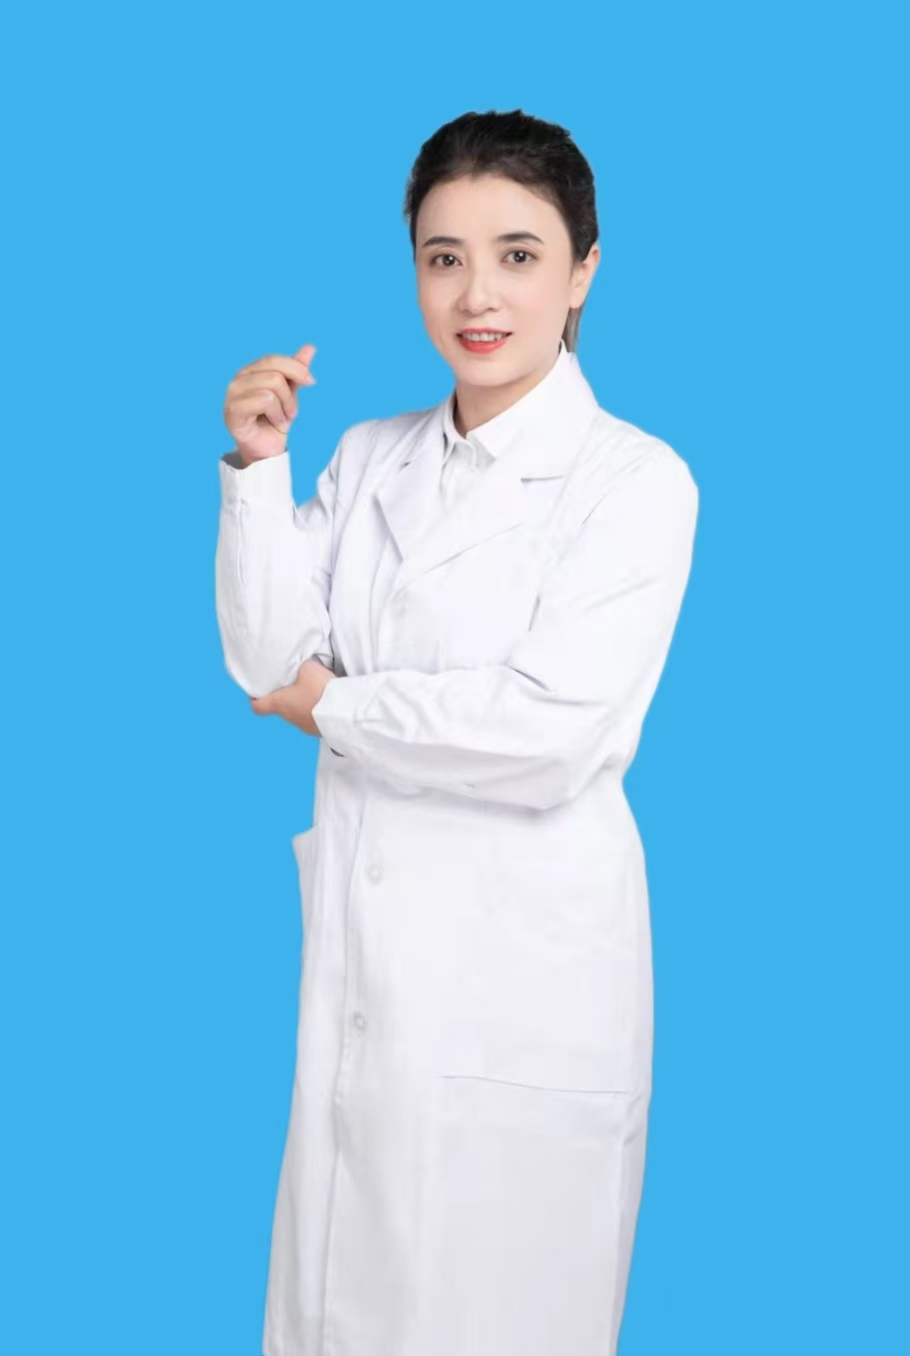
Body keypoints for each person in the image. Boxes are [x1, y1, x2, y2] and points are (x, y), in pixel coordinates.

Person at [215, 108, 699, 1356]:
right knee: (337, 1308)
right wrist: (258, 471)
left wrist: (337, 707)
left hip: (519, 1001)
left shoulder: (632, 481)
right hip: (366, 988)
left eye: (518, 255)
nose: (476, 294)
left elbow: (549, 732)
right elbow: (264, 657)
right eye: (444, 257)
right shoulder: (368, 457)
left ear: (583, 270)